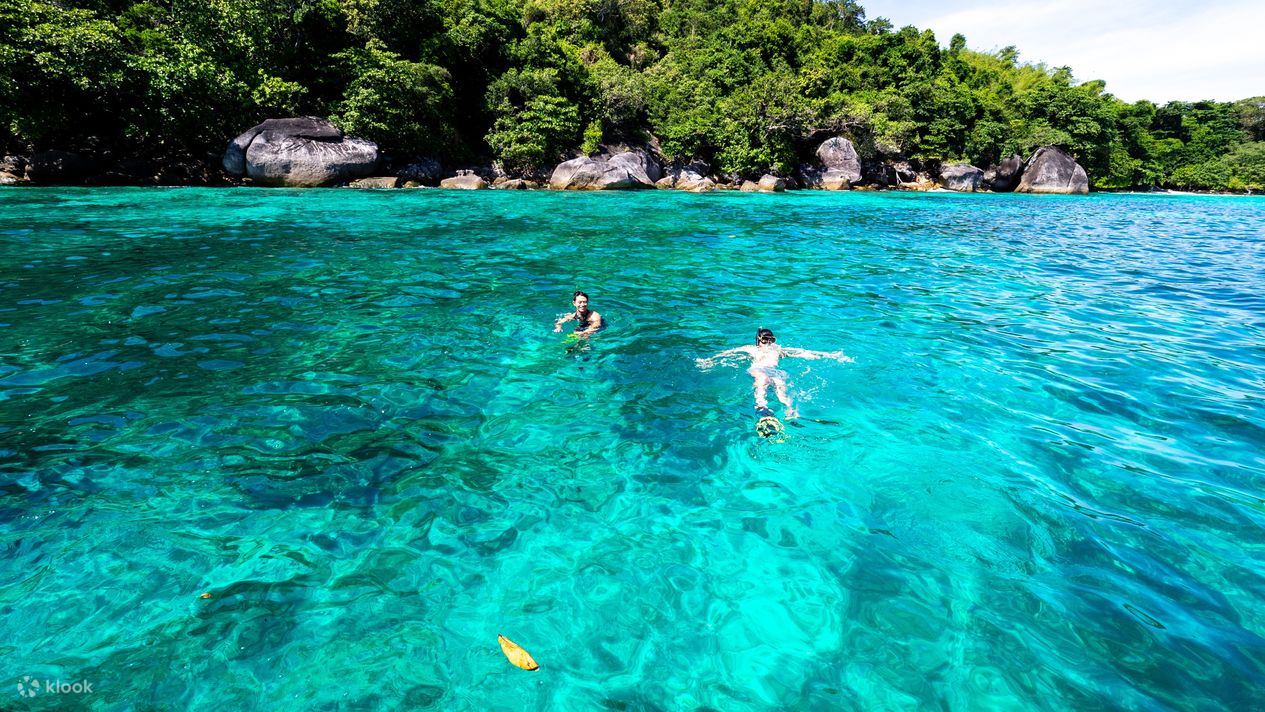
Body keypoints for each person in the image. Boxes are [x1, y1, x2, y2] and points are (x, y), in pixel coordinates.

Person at [698, 328, 852, 419]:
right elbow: (730, 352)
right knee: (762, 381)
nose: (769, 343)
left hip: (775, 371)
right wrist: (710, 360)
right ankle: (761, 405)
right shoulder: (752, 349)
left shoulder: (778, 350)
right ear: (759, 339)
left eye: (771, 339)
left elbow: (803, 352)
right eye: (765, 339)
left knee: (781, 384)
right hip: (759, 369)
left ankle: (790, 409)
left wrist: (830, 355)